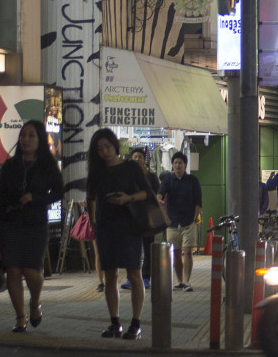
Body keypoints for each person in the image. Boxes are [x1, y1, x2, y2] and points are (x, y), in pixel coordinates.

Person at [0, 120, 64, 332]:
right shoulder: (11, 165)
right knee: (13, 271)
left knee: (32, 271)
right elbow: (0, 199)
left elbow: (59, 193)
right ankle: (20, 317)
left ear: (40, 139)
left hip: (35, 224)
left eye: (32, 135)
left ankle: (35, 303)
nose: (26, 139)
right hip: (10, 224)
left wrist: (35, 198)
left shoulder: (48, 165)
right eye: (23, 135)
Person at [87, 129, 150, 339]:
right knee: (110, 275)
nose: (104, 152)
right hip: (106, 226)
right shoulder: (97, 171)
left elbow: (146, 193)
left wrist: (128, 198)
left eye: (107, 146)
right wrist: (94, 223)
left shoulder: (131, 167)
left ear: (115, 145)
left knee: (134, 273)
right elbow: (91, 198)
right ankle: (115, 322)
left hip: (129, 225)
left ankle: (136, 323)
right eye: (99, 149)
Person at [159, 152, 202, 290]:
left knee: (188, 252)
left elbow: (198, 201)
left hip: (189, 222)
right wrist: (159, 199)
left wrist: (195, 218)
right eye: (175, 163)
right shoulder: (168, 180)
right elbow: (160, 194)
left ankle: (187, 281)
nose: (177, 165)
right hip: (172, 223)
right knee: (176, 253)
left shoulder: (193, 180)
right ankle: (179, 281)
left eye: (180, 163)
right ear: (172, 165)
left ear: (185, 165)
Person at [124, 147, 162, 291]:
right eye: (135, 157)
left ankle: (146, 277)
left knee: (148, 248)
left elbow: (156, 194)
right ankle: (130, 277)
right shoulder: (127, 176)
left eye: (140, 157)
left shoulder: (151, 176)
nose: (137, 159)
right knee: (132, 248)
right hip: (131, 218)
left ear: (145, 160)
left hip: (147, 218)